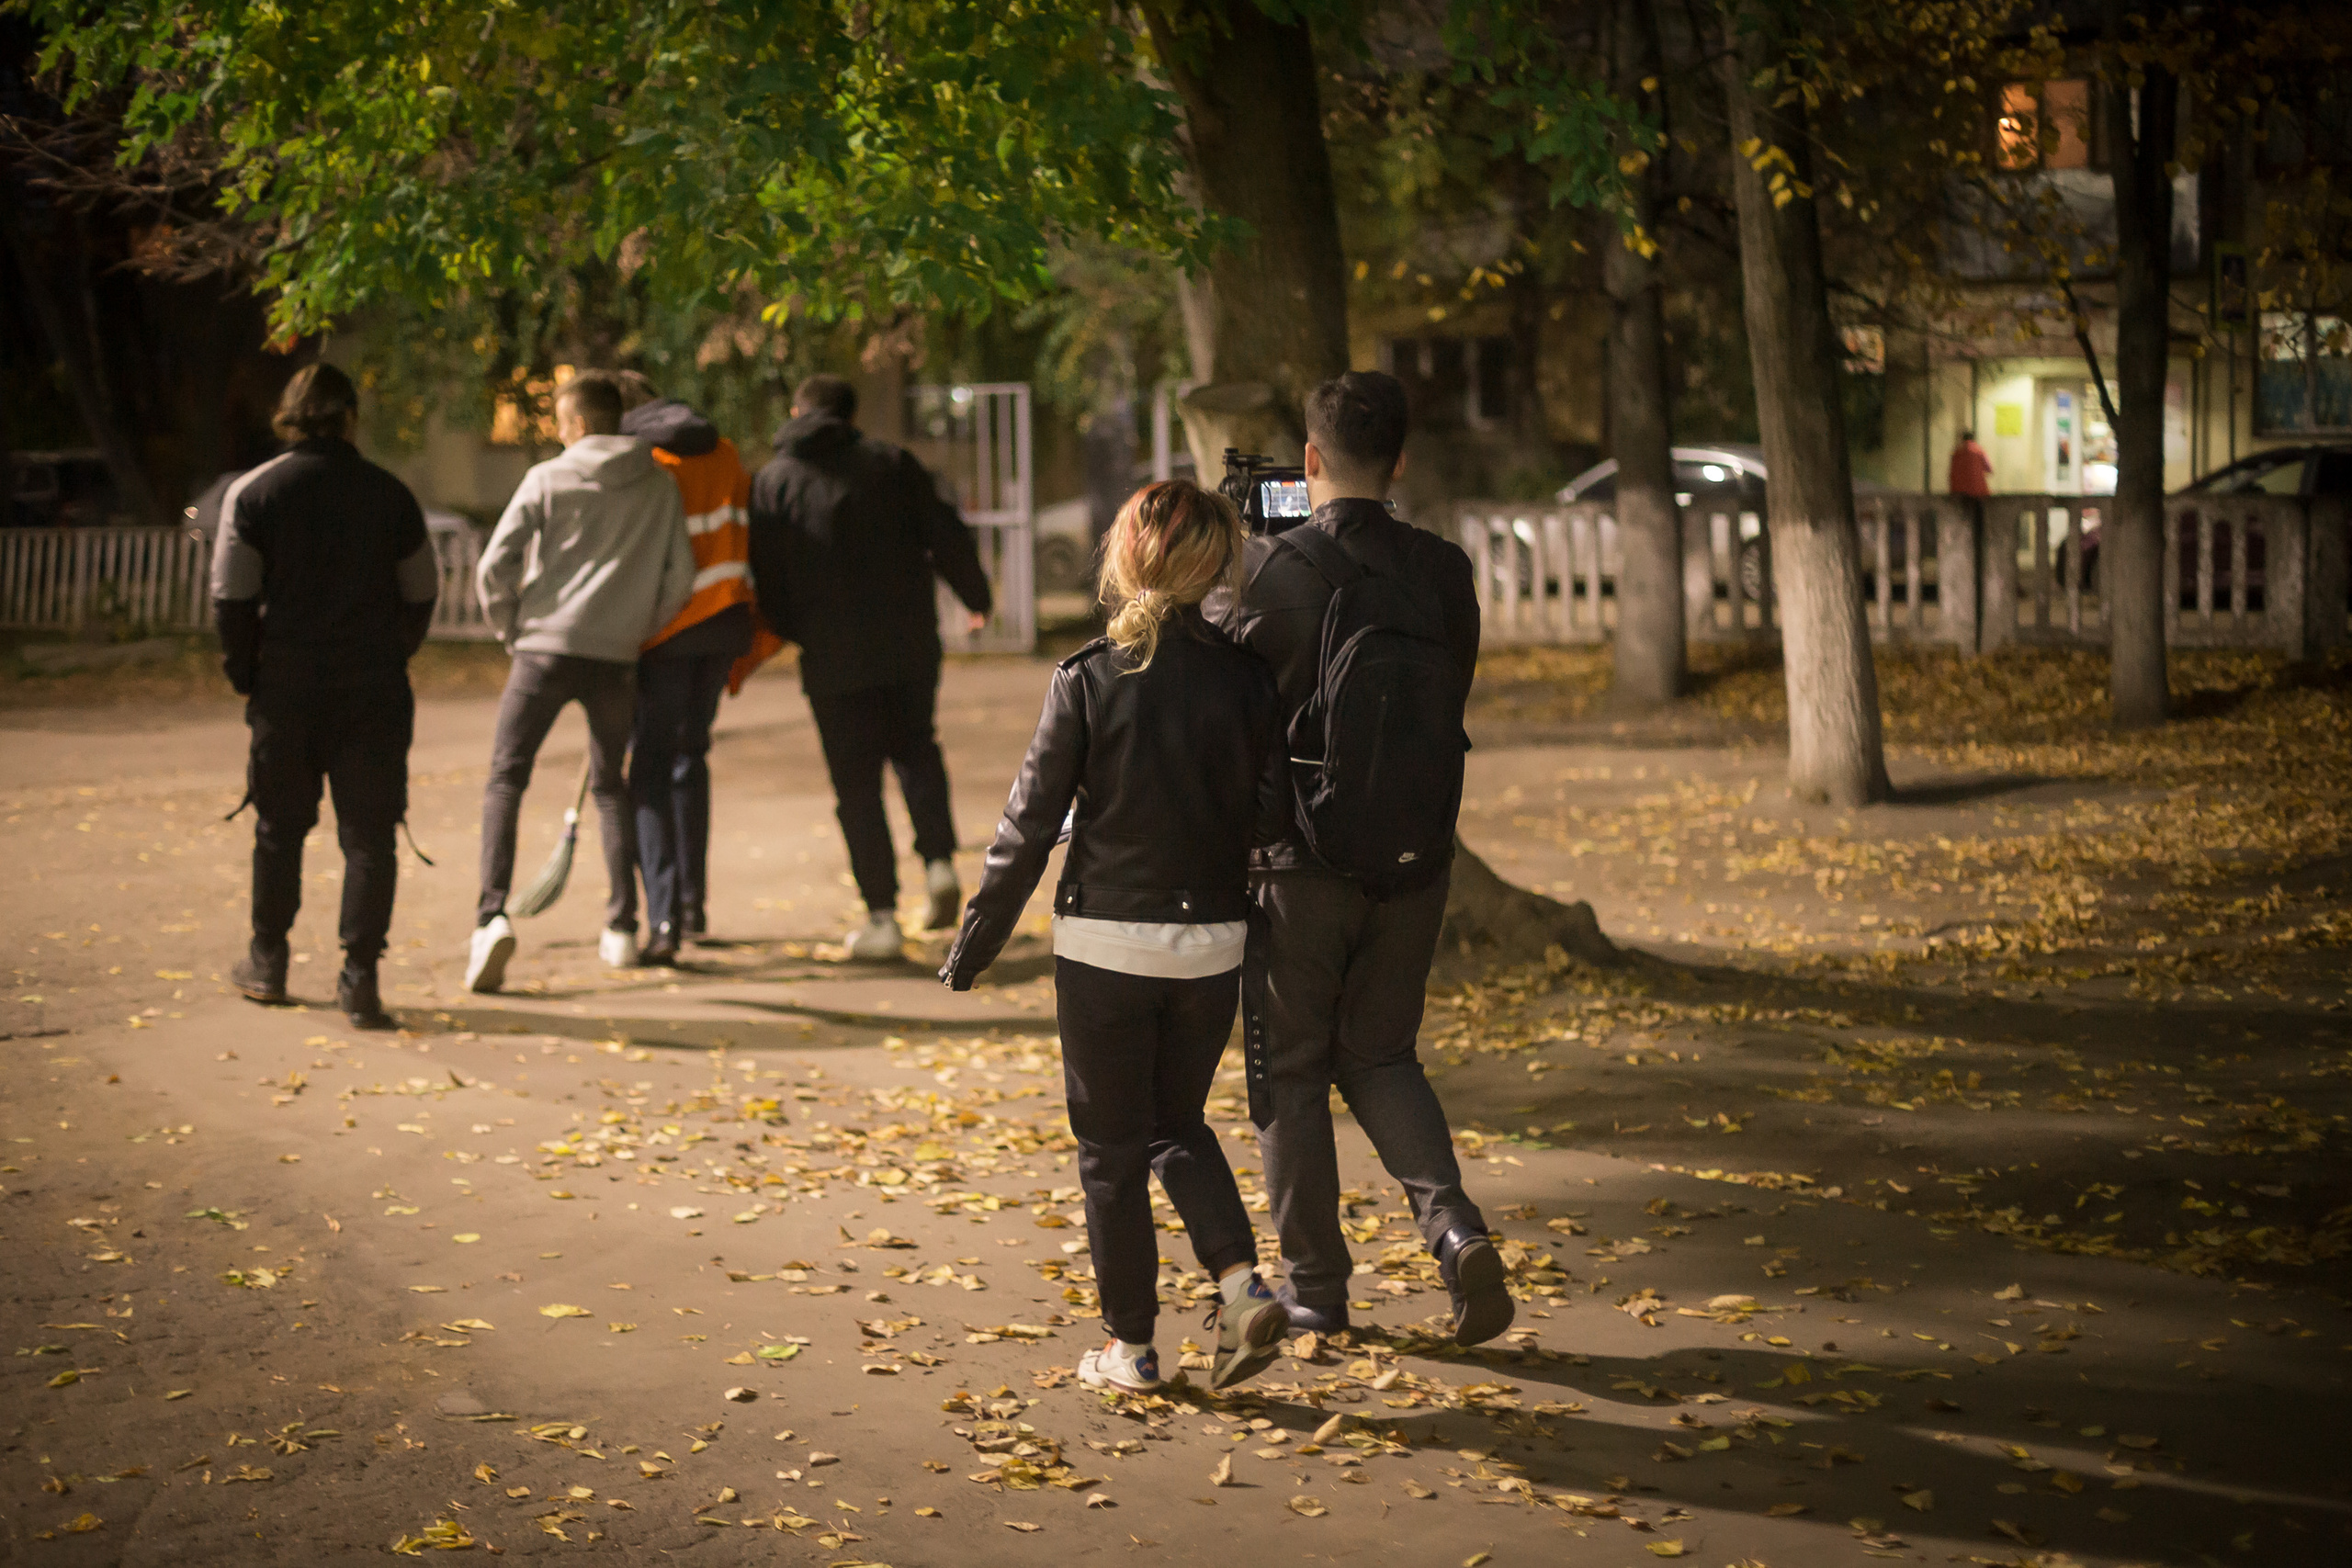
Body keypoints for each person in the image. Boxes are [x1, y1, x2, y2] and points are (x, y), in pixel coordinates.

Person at [941, 479, 1290, 1395]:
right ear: (1214, 568)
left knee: (1110, 1151)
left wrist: (973, 946)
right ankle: (1242, 1285)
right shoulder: (1251, 680)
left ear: (1125, 558)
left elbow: (1025, 830)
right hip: (1210, 944)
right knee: (1176, 1123)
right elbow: (1270, 822)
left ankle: (1130, 1350)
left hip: (1103, 949)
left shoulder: (1088, 677)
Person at [1212, 370, 1513, 1348]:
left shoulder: (1269, 569)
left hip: (1295, 868)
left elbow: (1219, 688)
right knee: (1382, 1053)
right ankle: (1456, 1231)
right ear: (1402, 461)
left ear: (1308, 459)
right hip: (1415, 856)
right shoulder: (1445, 571)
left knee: (1290, 1073)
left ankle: (1318, 1290)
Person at [213, 362, 439, 1031]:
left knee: (278, 829)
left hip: (288, 686)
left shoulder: (255, 493)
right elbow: (422, 593)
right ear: (350, 418)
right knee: (370, 836)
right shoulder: (391, 495)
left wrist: (246, 674)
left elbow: (231, 598)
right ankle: (360, 978)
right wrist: (391, 652)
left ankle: (268, 960)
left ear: (289, 416)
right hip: (373, 688)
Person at [748, 373, 992, 961]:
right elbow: (944, 533)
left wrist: (797, 630)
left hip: (832, 656)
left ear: (797, 411)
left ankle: (882, 917)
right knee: (916, 749)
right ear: (851, 417)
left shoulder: (774, 481)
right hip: (908, 641)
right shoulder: (892, 464)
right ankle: (938, 863)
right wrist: (976, 596)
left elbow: (767, 574)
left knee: (855, 786)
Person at [467, 370, 695, 992]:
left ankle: (490, 917)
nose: (558, 434)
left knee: (506, 778)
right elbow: (681, 579)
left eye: (561, 423)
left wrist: (511, 628)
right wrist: (636, 629)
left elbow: (494, 566)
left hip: (542, 649)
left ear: (580, 423)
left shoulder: (548, 478)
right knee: (610, 787)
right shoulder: (660, 484)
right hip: (615, 658)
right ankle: (622, 927)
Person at [615, 372, 758, 964]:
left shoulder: (642, 462)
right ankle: (693, 905)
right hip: (725, 622)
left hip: (668, 631)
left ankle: (664, 918)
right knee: (689, 758)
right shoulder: (724, 451)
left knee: (648, 768)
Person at [1949, 430, 1994, 498]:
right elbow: (1989, 469)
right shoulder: (1979, 451)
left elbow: (1953, 472)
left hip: (1959, 490)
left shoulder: (1957, 453)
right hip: (1978, 490)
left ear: (1963, 439)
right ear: (1974, 439)